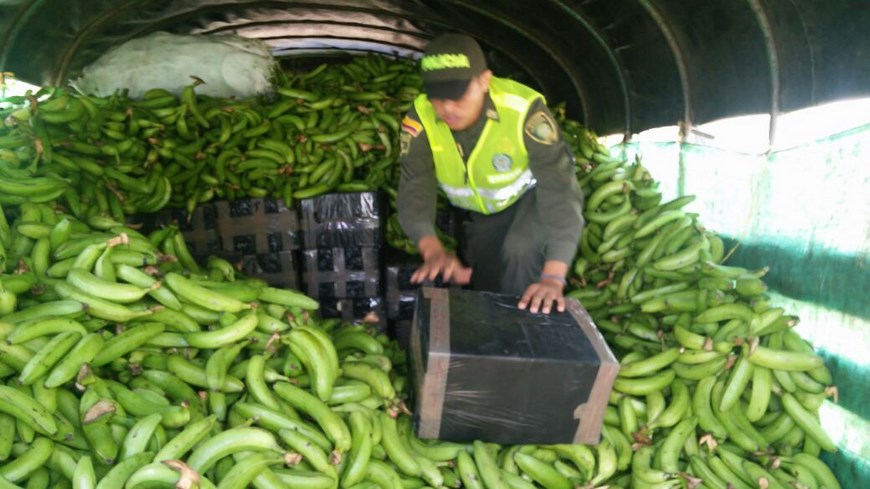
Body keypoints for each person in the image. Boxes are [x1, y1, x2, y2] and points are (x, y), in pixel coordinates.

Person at [397, 33, 585, 314]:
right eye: (437, 96)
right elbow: (415, 185)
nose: (447, 107)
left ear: (485, 80)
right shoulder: (420, 118)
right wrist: (432, 250)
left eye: (458, 93)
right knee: (488, 281)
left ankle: (524, 340)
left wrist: (553, 278)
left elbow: (559, 188)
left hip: (531, 197)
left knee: (520, 250)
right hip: (484, 212)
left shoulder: (523, 111)